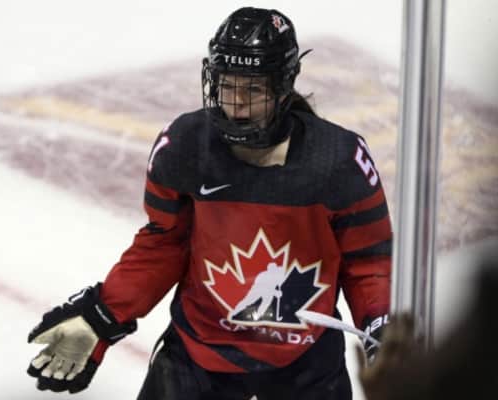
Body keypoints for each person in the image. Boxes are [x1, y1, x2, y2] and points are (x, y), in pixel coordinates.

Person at [26, 7, 393, 399]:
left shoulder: (339, 159)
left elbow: (368, 261)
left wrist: (381, 327)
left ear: (285, 86)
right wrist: (104, 314)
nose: (236, 104)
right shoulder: (184, 146)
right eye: (227, 86)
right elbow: (164, 244)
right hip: (199, 353)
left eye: (253, 91)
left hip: (305, 360)